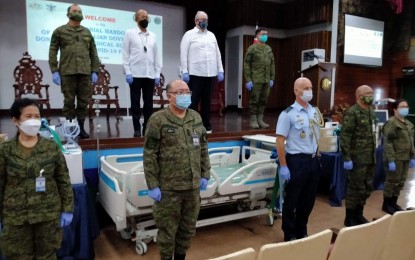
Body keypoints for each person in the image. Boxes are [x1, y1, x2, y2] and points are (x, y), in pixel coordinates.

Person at [143, 79, 211, 260]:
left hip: (192, 186)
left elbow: (203, 148)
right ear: (169, 96)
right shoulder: (158, 120)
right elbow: (149, 154)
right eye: (180, 92)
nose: (186, 95)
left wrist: (205, 173)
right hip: (168, 189)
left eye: (187, 91)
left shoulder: (195, 117)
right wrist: (152, 184)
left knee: (188, 229)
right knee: (167, 231)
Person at [0, 98, 74, 259]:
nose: (34, 120)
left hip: (47, 215)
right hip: (16, 217)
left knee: (47, 256)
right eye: (28, 116)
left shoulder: (51, 147)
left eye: (37, 116)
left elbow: (63, 180)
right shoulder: (5, 150)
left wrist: (67, 209)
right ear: (15, 120)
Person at [275, 77, 322, 241]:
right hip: (296, 161)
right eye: (305, 88)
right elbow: (280, 140)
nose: (309, 91)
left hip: (313, 160)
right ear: (296, 91)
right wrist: (283, 165)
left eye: (310, 87)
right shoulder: (287, 114)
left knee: (308, 200)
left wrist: (318, 153)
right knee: (292, 200)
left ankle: (302, 229)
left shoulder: (314, 111)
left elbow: (316, 135)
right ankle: (289, 233)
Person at [49, 3, 100, 139]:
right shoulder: (59, 31)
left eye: (79, 11)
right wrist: (54, 70)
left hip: (85, 72)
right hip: (67, 72)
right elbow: (52, 51)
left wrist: (95, 70)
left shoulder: (87, 32)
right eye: (75, 10)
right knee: (69, 101)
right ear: (68, 14)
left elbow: (93, 53)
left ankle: (81, 127)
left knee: (84, 101)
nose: (77, 12)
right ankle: (71, 128)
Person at [180, 11, 224, 134]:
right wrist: (184, 71)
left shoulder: (211, 35)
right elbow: (183, 54)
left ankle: (206, 124)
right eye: (202, 19)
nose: (204, 21)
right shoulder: (189, 35)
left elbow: (217, 54)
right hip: (194, 73)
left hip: (209, 73)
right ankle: (191, 125)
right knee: (193, 101)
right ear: (196, 21)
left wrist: (220, 70)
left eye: (206, 19)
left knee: (207, 101)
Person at [340, 85, 377, 226]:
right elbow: (345, 136)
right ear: (359, 96)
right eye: (368, 93)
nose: (371, 95)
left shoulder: (371, 112)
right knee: (355, 188)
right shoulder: (352, 113)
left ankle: (359, 213)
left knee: (366, 188)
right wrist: (347, 157)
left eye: (372, 93)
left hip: (369, 158)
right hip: (356, 159)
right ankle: (349, 217)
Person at [122, 9, 162, 137]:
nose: (145, 19)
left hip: (149, 74)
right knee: (135, 102)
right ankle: (136, 128)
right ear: (136, 19)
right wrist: (127, 72)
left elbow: (157, 56)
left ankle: (147, 127)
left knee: (148, 103)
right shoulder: (130, 33)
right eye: (142, 17)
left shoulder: (153, 36)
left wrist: (157, 73)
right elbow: (125, 54)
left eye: (147, 17)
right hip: (135, 74)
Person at [381, 99, 415, 214]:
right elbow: (388, 142)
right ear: (395, 109)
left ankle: (393, 202)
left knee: (400, 182)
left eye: (406, 106)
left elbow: (411, 142)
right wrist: (391, 160)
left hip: (405, 158)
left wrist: (412, 157)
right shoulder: (392, 123)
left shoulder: (408, 124)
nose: (405, 108)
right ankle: (386, 204)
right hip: (395, 158)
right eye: (402, 106)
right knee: (392, 181)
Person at [243, 27, 275, 129]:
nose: (265, 36)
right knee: (255, 100)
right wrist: (248, 79)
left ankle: (260, 119)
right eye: (263, 34)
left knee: (263, 100)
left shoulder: (269, 49)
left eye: (266, 34)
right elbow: (247, 64)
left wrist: (272, 78)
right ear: (257, 36)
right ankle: (253, 119)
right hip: (256, 79)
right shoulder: (252, 48)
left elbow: (272, 64)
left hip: (266, 79)